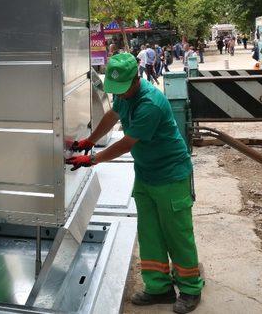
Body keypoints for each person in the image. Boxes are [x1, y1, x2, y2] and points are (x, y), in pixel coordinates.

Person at [66, 54, 204, 313]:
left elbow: (126, 143)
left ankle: (190, 288)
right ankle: (159, 288)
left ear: (136, 79)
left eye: (123, 89)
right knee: (149, 232)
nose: (120, 94)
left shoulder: (150, 103)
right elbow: (111, 115)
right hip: (146, 173)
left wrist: (92, 159)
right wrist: (90, 140)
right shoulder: (124, 93)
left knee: (177, 234)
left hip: (171, 175)